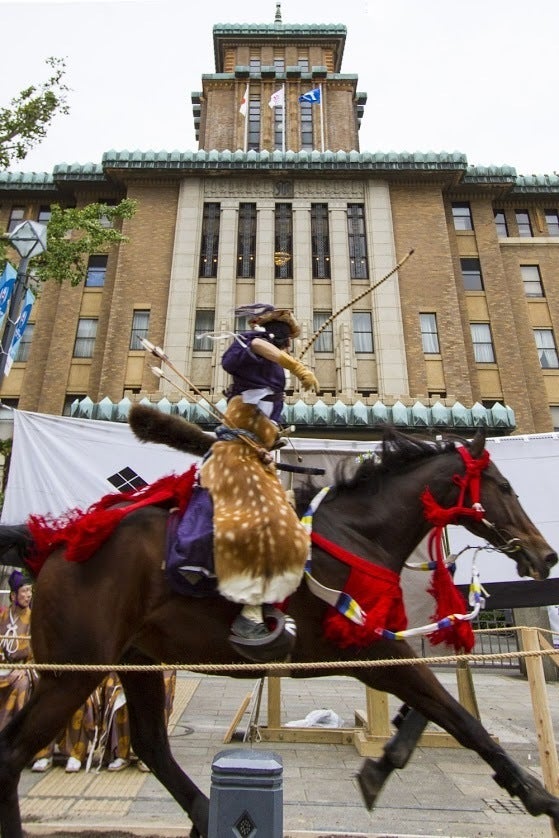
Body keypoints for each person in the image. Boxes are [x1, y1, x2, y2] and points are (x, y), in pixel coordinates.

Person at [199, 303, 319, 645]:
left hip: (252, 452)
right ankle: (248, 612)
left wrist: (269, 441)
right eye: (284, 338)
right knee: (261, 517)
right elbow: (257, 344)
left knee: (284, 509)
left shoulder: (269, 371)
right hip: (235, 453)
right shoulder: (251, 346)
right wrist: (296, 366)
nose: (288, 343)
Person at [0, 570, 36, 731]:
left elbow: (38, 652)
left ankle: (12, 732)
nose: (28, 595)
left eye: (30, 591)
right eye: (24, 591)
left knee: (22, 684)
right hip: (2, 667)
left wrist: (23, 668)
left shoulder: (34, 619)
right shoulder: (2, 617)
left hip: (22, 670)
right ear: (13, 595)